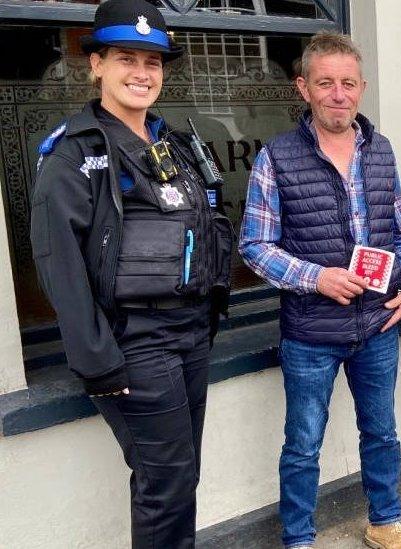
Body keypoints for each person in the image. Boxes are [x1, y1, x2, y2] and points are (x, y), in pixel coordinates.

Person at [28, 1, 234, 547]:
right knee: (164, 483)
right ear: (95, 64)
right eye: (126, 58)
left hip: (188, 335)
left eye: (153, 61)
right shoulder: (75, 153)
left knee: (179, 477)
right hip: (136, 344)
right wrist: (97, 359)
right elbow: (58, 262)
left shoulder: (171, 144)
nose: (142, 73)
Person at [238, 32, 401, 549]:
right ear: (304, 88)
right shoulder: (275, 158)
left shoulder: (380, 150)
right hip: (310, 333)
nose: (338, 94)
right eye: (325, 83)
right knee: (302, 446)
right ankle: (299, 538)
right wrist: (315, 276)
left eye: (347, 83)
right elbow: (254, 246)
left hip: (377, 325)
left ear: (361, 87)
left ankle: (384, 522)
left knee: (382, 434)